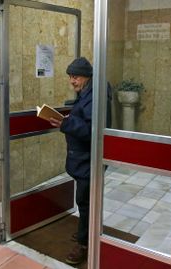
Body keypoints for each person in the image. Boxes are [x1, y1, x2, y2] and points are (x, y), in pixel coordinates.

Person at [48, 57, 111, 265]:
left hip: (88, 161)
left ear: (87, 77)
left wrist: (64, 123)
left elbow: (92, 132)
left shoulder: (94, 97)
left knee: (85, 203)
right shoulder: (87, 93)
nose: (72, 81)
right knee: (85, 201)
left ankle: (84, 244)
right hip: (84, 160)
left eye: (75, 77)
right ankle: (87, 231)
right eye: (70, 77)